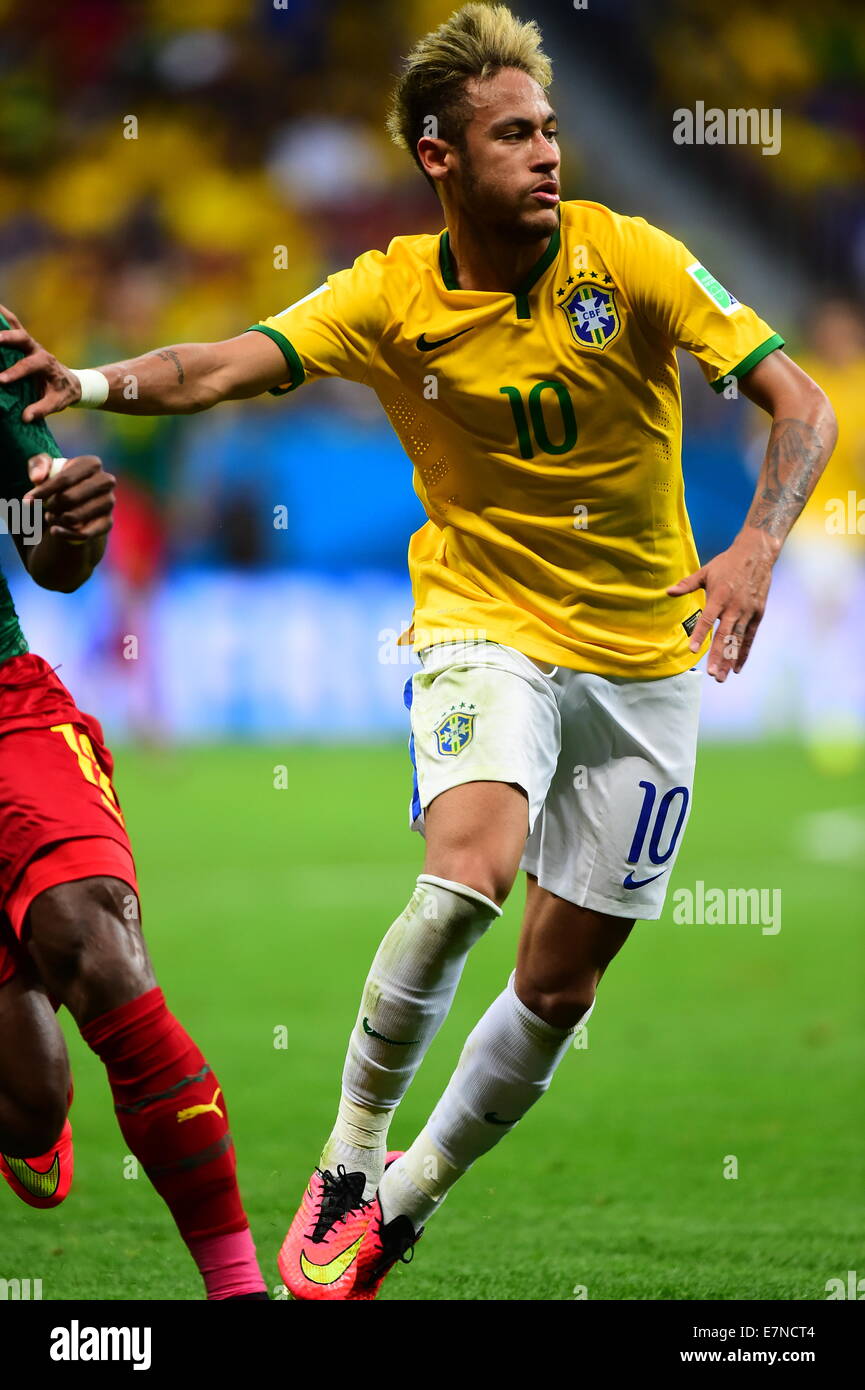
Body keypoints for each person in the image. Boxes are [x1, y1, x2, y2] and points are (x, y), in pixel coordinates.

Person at [0, 1, 836, 1303]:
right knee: (468, 872)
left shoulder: (638, 261)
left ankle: (403, 1199)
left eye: (553, 130)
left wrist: (758, 546)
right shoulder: (387, 293)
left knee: (557, 986)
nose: (549, 154)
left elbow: (804, 400)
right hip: (481, 624)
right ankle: (346, 1156)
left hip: (646, 655)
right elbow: (224, 362)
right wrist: (91, 385)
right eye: (515, 135)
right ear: (441, 156)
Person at [0, 317, 267, 1300]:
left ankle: (237, 1288)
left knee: (97, 944)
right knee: (29, 1109)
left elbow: (43, 550)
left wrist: (66, 525)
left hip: (5, 713)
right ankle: (29, 1127)